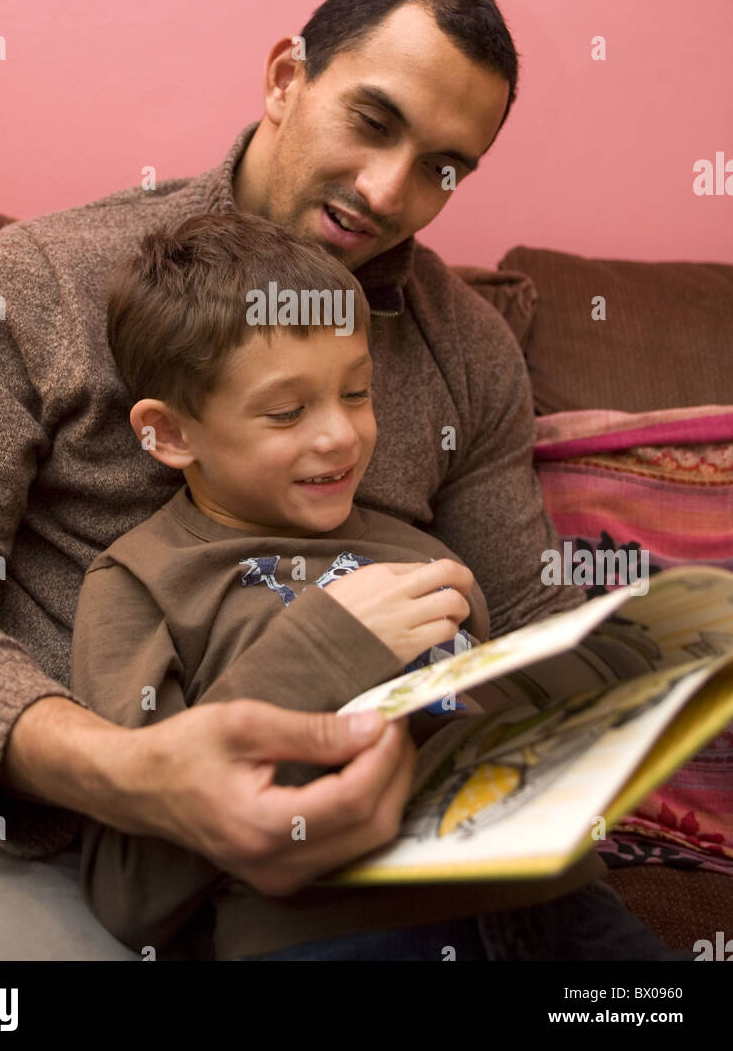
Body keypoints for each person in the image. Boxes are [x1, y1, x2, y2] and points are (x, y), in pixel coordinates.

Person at [0, 0, 660, 960]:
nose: (386, 190)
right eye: (371, 122)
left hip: (367, 852)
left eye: (440, 167)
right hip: (45, 826)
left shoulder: (463, 348)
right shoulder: (34, 286)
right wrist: (129, 770)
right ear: (286, 76)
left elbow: (530, 614)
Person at [70, 210, 677, 961]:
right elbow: (130, 884)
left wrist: (617, 672)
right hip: (338, 931)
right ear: (170, 433)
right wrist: (331, 645)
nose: (340, 436)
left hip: (554, 904)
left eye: (356, 393)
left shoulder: (414, 549)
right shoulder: (139, 583)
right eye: (286, 411)